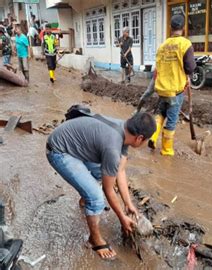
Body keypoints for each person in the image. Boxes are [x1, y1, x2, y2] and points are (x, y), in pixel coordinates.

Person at [46, 112, 156, 260]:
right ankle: (95, 239)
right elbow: (108, 189)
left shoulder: (124, 130)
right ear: (140, 138)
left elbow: (120, 170)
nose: (144, 144)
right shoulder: (113, 147)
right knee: (97, 199)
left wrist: (128, 203)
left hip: (73, 144)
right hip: (58, 150)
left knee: (102, 173)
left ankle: (85, 199)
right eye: (146, 141)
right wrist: (122, 217)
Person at [141, 15, 195, 156]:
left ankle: (153, 137)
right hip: (175, 91)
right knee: (171, 120)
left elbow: (158, 68)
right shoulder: (185, 44)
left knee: (160, 113)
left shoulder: (162, 46)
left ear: (171, 28)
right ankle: (166, 150)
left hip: (162, 89)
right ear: (183, 28)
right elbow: (190, 68)